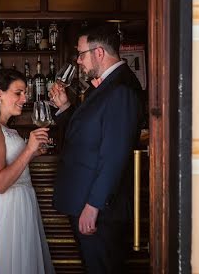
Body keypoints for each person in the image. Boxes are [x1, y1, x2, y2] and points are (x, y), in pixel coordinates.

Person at [51, 24, 144, 273]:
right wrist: (65, 108)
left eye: (81, 54)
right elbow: (87, 135)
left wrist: (93, 206)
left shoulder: (121, 89)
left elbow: (114, 155)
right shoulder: (105, 85)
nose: (79, 62)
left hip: (101, 211)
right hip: (87, 203)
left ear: (99, 53)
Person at [0, 68, 55, 274]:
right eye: (18, 92)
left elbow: (17, 161)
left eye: (25, 93)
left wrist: (33, 152)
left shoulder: (8, 128)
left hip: (23, 202)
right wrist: (28, 150)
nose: (24, 98)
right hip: (8, 208)